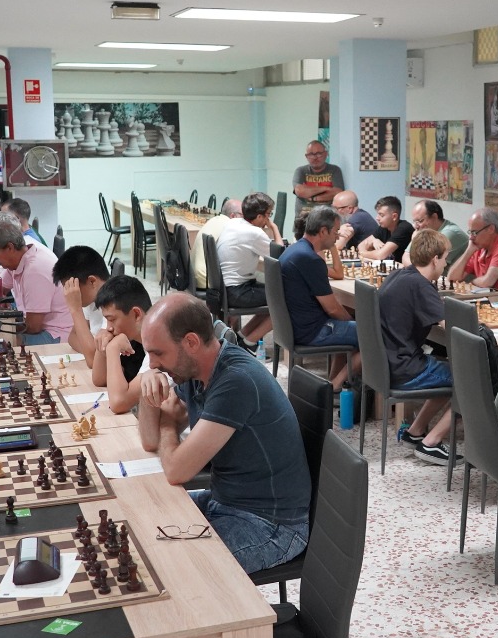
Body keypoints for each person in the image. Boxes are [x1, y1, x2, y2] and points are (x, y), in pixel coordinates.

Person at [137, 294, 311, 572]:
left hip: (270, 526)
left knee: (173, 567)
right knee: (140, 518)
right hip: (225, 502)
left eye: (158, 353)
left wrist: (167, 424)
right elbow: (150, 441)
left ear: (191, 342)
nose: (153, 363)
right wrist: (147, 388)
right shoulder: (194, 370)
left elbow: (176, 471)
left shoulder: (235, 381)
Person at [378, 228, 455, 463]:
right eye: (445, 258)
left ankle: (415, 431)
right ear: (435, 259)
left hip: (389, 363)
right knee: (475, 380)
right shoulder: (421, 286)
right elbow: (452, 327)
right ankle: (431, 443)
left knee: (447, 370)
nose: (446, 264)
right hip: (406, 369)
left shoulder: (398, 275)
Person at [278, 206, 359, 387]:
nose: (337, 237)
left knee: (349, 323)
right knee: (374, 334)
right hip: (312, 331)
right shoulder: (310, 259)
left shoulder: (295, 249)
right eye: (335, 232)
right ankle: (335, 385)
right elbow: (332, 309)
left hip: (296, 326)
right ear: (323, 231)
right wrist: (351, 322)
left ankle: (332, 381)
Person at [0, 217, 71, 345]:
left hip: (56, 334)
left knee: (3, 342)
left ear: (10, 248)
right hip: (38, 325)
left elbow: (33, 327)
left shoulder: (35, 270)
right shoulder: (17, 260)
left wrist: (3, 325)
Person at [214, 192, 279, 345]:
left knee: (277, 293)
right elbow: (279, 255)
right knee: (285, 299)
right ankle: (249, 343)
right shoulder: (254, 232)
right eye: (268, 215)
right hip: (237, 292)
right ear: (259, 216)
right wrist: (274, 228)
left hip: (225, 289)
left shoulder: (233, 223)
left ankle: (241, 337)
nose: (269, 220)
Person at [91, 275, 152, 413]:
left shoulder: (159, 346)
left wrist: (112, 349)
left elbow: (118, 403)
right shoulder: (134, 337)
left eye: (112, 319)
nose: (109, 328)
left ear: (136, 314)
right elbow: (99, 380)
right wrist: (103, 346)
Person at [52, 245, 114, 357]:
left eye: (73, 287)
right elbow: (72, 337)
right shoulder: (92, 298)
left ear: (92, 282)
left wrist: (75, 309)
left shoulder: (114, 304)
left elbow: (93, 357)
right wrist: (90, 350)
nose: (69, 293)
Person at [190, 197, 241, 290]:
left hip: (193, 276)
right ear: (233, 216)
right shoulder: (230, 227)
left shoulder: (214, 220)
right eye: (243, 215)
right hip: (208, 280)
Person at [410, 199, 470, 266]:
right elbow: (405, 258)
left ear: (434, 217)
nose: (416, 226)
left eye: (420, 221)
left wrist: (415, 242)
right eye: (414, 222)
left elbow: (426, 266)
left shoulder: (449, 233)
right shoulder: (422, 231)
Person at [356, 195, 414, 262]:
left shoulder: (404, 228)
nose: (377, 218)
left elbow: (380, 255)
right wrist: (374, 240)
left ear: (394, 216)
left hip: (406, 267)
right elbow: (361, 245)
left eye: (381, 215)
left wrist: (363, 253)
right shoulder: (384, 227)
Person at [292, 140, 344, 212]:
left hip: (327, 215)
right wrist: (326, 188)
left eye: (319, 154)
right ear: (306, 156)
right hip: (304, 215)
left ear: (326, 154)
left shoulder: (335, 170)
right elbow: (299, 191)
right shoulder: (301, 171)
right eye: (311, 154)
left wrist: (314, 198)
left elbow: (338, 193)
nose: (315, 157)